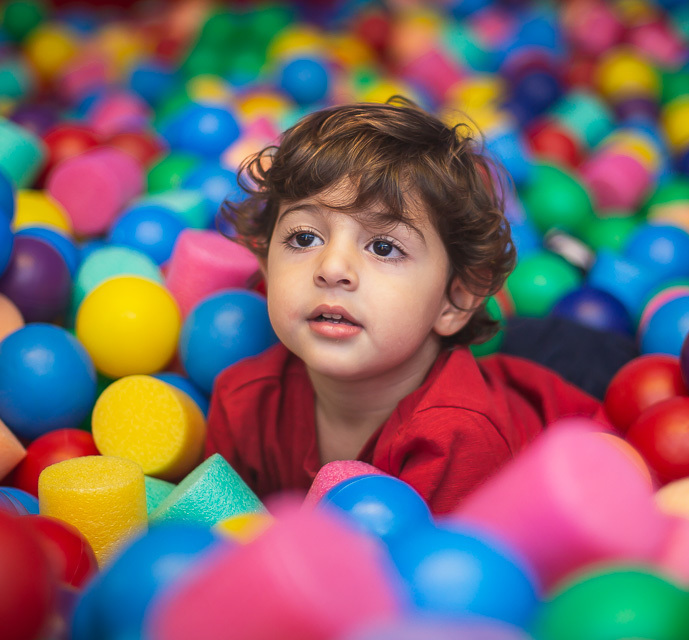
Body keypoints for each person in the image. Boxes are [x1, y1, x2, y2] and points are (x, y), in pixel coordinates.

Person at [205, 97, 607, 514]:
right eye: (304, 238)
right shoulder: (242, 403)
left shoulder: (458, 440)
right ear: (267, 268)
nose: (333, 268)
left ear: (454, 299)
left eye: (383, 247)